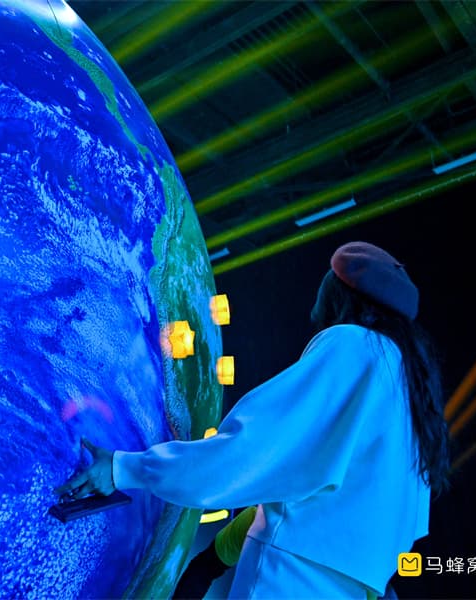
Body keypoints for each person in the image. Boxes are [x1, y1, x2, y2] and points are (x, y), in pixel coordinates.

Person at [56, 241, 450, 599]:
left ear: (340, 293)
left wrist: (124, 468)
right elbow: (383, 516)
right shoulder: (410, 388)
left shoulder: (353, 347)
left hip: (291, 581)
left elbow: (248, 452)